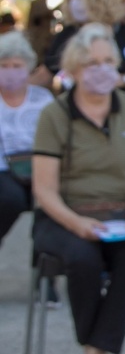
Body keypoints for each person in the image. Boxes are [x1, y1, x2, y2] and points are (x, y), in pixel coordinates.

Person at [31, 22, 125, 354]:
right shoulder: (54, 115)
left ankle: (97, 348)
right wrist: (76, 223)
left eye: (108, 62)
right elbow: (44, 189)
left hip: (120, 215)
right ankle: (100, 346)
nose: (102, 70)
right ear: (74, 69)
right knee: (82, 258)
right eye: (92, 63)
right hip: (63, 216)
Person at [0, 31, 54, 246]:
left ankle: (44, 250)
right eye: (4, 65)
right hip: (3, 170)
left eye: (17, 66)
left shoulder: (43, 99)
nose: (10, 71)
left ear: (29, 67)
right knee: (11, 199)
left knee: (51, 202)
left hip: (40, 167)